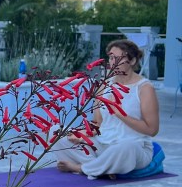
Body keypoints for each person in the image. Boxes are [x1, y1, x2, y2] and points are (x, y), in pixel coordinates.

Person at [55, 39, 159, 179]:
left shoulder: (144, 88)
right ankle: (104, 167)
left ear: (132, 61)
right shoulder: (104, 85)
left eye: (118, 58)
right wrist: (83, 134)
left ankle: (82, 168)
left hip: (133, 147)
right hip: (103, 144)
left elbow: (152, 130)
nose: (112, 62)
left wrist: (119, 113)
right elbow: (97, 123)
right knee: (58, 134)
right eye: (111, 58)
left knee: (125, 148)